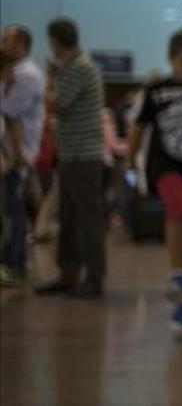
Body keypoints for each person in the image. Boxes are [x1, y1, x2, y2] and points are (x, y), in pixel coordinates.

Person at [127, 31, 182, 337]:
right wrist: (129, 160)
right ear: (172, 59)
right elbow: (139, 128)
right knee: (178, 207)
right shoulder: (158, 90)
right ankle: (177, 274)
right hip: (166, 165)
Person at [35, 18, 107, 298]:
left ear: (55, 41)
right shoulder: (76, 66)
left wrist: (50, 78)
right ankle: (68, 273)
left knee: (87, 218)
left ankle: (93, 277)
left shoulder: (79, 67)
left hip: (82, 155)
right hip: (73, 154)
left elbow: (57, 105)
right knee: (68, 216)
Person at [0, 25, 45, 286]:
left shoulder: (25, 75)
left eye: (7, 40)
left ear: (22, 45)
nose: (3, 44)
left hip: (18, 155)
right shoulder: (14, 74)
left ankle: (14, 263)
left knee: (14, 212)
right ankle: (12, 260)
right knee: (10, 210)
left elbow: (11, 114)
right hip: (13, 154)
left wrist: (16, 155)